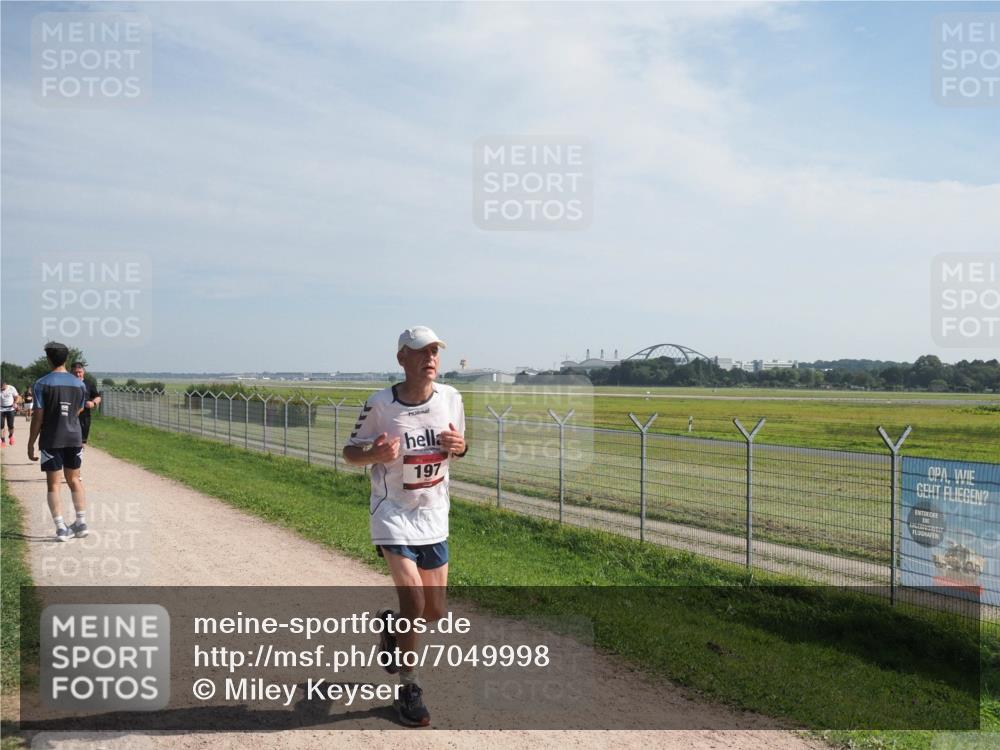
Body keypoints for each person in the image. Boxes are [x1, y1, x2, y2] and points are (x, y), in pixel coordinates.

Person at [343, 326, 467, 727]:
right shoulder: (381, 403)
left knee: (433, 611)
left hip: (433, 513)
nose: (430, 358)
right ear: (402, 359)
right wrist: (373, 454)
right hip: (392, 511)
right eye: (420, 352)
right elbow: (350, 452)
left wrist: (459, 448)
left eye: (435, 352)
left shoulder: (451, 398)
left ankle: (391, 630)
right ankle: (409, 687)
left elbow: (462, 446)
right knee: (413, 603)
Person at [27, 342, 88, 542]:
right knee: (75, 480)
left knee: (54, 485)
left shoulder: (41, 383)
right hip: (74, 437)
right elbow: (79, 409)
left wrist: (30, 442)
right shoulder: (79, 383)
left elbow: (37, 417)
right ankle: (81, 523)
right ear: (66, 359)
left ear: (48, 359)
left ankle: (61, 528)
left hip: (52, 439)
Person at [71, 362, 102, 444]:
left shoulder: (89, 384)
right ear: (71, 373)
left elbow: (98, 397)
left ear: (83, 372)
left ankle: (79, 455)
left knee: (81, 443)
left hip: (84, 417)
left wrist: (93, 403)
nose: (78, 374)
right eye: (75, 372)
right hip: (69, 417)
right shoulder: (67, 384)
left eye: (79, 372)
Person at [0, 379, 20, 447]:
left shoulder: (11, 388)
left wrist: (15, 403)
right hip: (1, 409)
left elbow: (17, 397)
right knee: (1, 426)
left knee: (10, 425)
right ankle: (3, 441)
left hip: (10, 408)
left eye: (2, 387)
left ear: (5, 384)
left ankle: (11, 436)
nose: (1, 389)